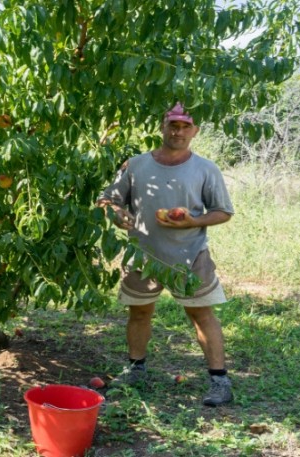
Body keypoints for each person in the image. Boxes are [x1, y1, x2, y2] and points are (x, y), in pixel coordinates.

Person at [97, 103, 235, 407]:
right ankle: (136, 370)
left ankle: (220, 380)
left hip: (190, 256)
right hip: (142, 255)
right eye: (173, 124)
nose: (179, 131)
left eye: (186, 126)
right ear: (162, 127)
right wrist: (117, 214)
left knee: (201, 314)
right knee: (139, 312)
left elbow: (223, 212)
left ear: (195, 131)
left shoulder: (205, 169)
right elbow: (107, 200)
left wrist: (193, 221)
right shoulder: (135, 165)